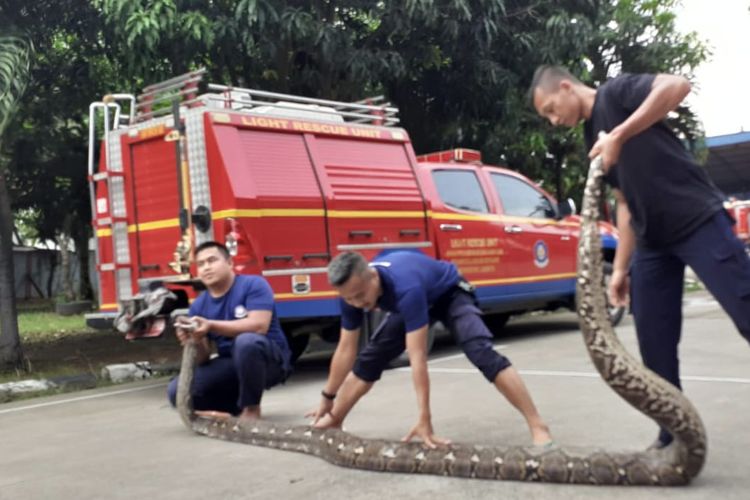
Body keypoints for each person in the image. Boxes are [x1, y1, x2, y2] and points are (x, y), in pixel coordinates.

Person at [530, 65, 750, 448]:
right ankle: (674, 436)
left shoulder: (616, 94)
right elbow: (624, 202)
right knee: (654, 343)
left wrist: (618, 134)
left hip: (695, 217)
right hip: (652, 244)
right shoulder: (589, 138)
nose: (553, 119)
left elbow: (677, 85)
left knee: (746, 310)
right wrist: (619, 269)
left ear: (566, 87)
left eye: (551, 108)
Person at [307, 251, 552, 448]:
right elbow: (346, 349)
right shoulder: (350, 293)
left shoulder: (405, 288)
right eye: (350, 299)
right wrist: (327, 396)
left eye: (360, 296)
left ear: (373, 276)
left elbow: (418, 357)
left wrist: (425, 418)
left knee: (480, 351)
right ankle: (335, 420)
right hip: (416, 295)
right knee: (370, 359)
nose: (357, 304)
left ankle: (538, 425)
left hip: (449, 293)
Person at [167, 241, 292, 421]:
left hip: (268, 361)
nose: (206, 268)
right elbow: (202, 358)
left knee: (246, 342)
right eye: (201, 264)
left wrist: (210, 325)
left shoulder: (254, 284)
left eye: (212, 261)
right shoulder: (199, 305)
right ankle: (232, 409)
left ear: (230, 263)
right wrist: (192, 340)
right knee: (177, 391)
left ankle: (251, 410)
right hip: (231, 363)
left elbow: (259, 326)